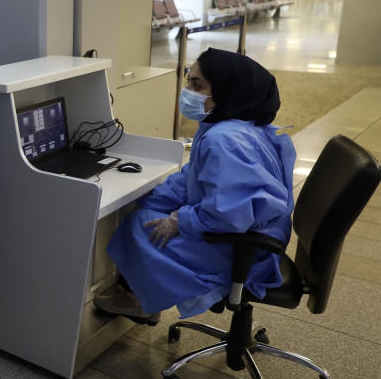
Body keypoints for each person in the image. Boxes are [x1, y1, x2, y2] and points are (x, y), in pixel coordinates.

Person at [94, 48, 296, 323]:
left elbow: (230, 215)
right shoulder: (236, 125)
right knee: (148, 209)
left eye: (197, 84)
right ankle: (142, 297)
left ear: (226, 89)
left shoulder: (223, 139)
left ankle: (143, 304)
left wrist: (179, 220)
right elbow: (194, 177)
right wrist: (152, 196)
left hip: (243, 251)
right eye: (188, 80)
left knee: (138, 225)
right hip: (257, 238)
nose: (187, 90)